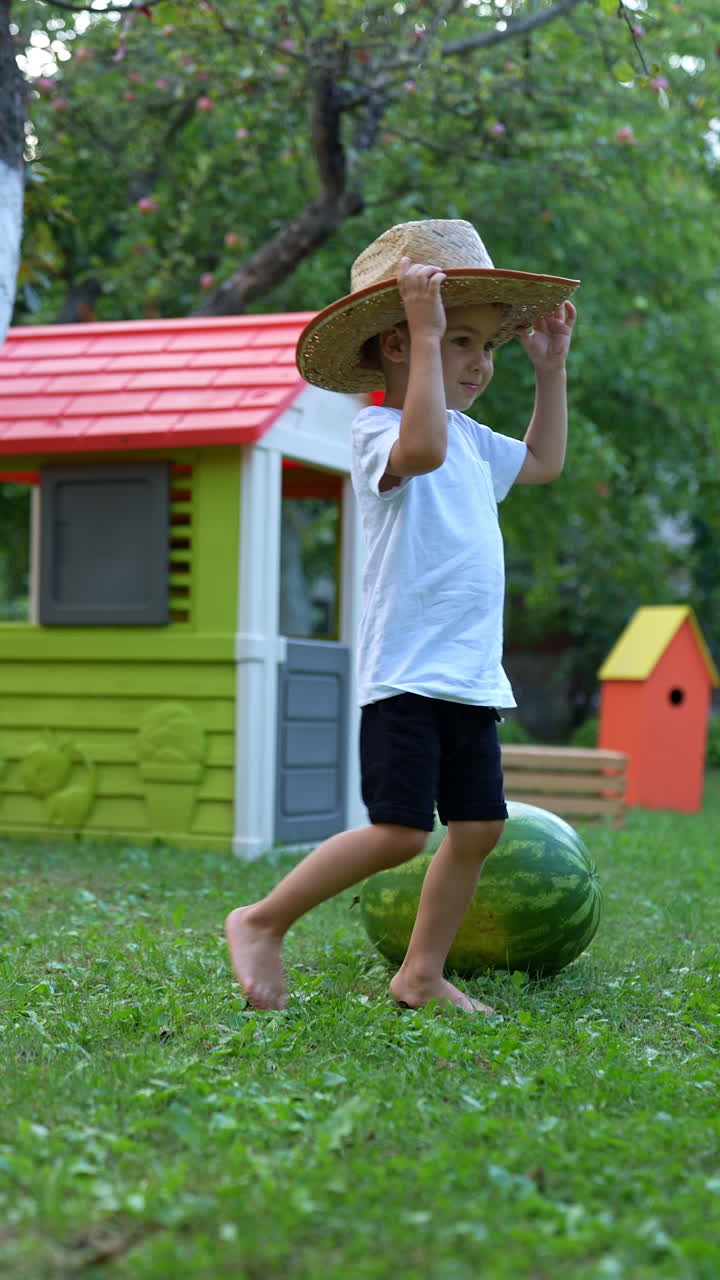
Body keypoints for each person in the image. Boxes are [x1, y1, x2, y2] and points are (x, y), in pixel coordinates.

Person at [226, 219, 579, 1013]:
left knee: (479, 827)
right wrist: (426, 337)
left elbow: (546, 463)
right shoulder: (378, 429)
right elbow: (419, 452)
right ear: (396, 345)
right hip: (407, 675)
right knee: (397, 833)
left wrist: (550, 371)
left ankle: (420, 972)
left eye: (489, 345)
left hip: (469, 677)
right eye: (462, 342)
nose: (482, 363)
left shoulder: (476, 441)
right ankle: (261, 919)